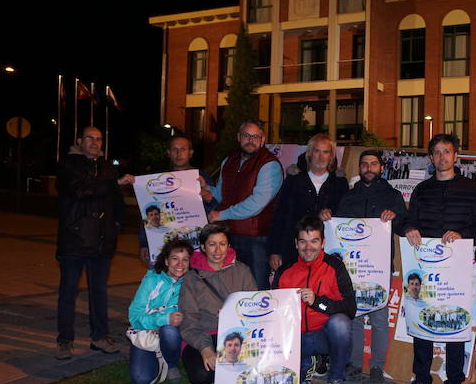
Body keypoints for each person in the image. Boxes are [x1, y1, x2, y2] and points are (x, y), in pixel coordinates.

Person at [399, 133, 476, 384]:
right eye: (436, 152)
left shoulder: (472, 190)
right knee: (423, 318)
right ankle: (423, 380)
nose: (442, 157)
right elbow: (409, 220)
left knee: (455, 322)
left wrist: (463, 234)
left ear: (456, 155)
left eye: (446, 152)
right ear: (430, 158)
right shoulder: (422, 190)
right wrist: (409, 228)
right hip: (425, 266)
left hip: (458, 267)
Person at [328, 149, 407, 384]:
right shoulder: (348, 196)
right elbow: (336, 228)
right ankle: (353, 364)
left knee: (379, 320)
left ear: (381, 168)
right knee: (354, 317)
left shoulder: (392, 196)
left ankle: (376, 367)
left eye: (374, 164)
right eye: (364, 164)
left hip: (379, 269)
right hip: (351, 270)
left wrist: (395, 216)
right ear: (359, 168)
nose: (369, 168)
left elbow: (405, 224)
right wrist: (327, 218)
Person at [55, 126, 133, 359]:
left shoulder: (108, 167)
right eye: (90, 138)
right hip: (74, 241)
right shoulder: (68, 165)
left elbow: (118, 203)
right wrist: (114, 184)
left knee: (99, 292)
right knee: (68, 292)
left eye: (99, 139)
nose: (95, 142)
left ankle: (100, 336)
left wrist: (116, 226)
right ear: (79, 140)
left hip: (101, 243)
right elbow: (81, 191)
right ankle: (64, 340)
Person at [273, 216, 355, 384]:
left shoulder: (335, 266)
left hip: (324, 336)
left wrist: (318, 302)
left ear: (323, 243)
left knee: (341, 324)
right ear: (296, 243)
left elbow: (350, 309)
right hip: (295, 339)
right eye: (303, 241)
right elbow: (273, 312)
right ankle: (304, 363)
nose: (308, 247)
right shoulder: (285, 270)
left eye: (314, 241)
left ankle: (336, 382)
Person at [179, 222, 257, 384]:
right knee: (201, 376)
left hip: (237, 334)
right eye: (212, 244)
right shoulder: (191, 278)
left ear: (229, 246)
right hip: (205, 333)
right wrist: (205, 349)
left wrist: (235, 316)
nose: (217, 250)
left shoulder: (242, 271)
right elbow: (189, 320)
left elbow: (254, 307)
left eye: (222, 244)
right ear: (202, 247)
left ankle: (227, 370)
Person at [209, 120, 282, 290]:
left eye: (255, 136)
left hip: (256, 239)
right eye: (246, 135)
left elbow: (256, 203)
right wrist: (207, 190)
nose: (250, 140)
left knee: (255, 288)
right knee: (231, 286)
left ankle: (259, 318)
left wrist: (221, 215)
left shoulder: (270, 164)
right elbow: (222, 194)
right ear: (238, 137)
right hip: (229, 236)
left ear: (262, 139)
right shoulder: (229, 161)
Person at [268, 133, 349, 273]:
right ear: (309, 154)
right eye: (317, 151)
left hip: (328, 253)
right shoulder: (293, 181)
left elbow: (346, 216)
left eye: (326, 152)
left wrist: (332, 215)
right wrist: (275, 251)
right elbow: (279, 217)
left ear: (331, 157)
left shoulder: (340, 184)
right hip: (292, 252)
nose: (321, 156)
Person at [136, 134, 218, 264]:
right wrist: (144, 243)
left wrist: (208, 198)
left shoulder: (201, 177)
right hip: (165, 244)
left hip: (195, 244)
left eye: (183, 149)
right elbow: (148, 213)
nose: (178, 153)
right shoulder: (158, 180)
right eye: (174, 149)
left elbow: (215, 208)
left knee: (194, 282)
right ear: (168, 153)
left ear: (190, 153)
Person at [127, 239, 193, 384]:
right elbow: (134, 315)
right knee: (141, 379)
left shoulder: (191, 282)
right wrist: (162, 319)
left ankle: (171, 364)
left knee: (169, 331)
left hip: (173, 332)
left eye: (185, 260)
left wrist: (168, 322)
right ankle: (157, 354)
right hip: (146, 330)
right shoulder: (151, 280)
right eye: (175, 259)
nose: (180, 265)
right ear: (166, 261)